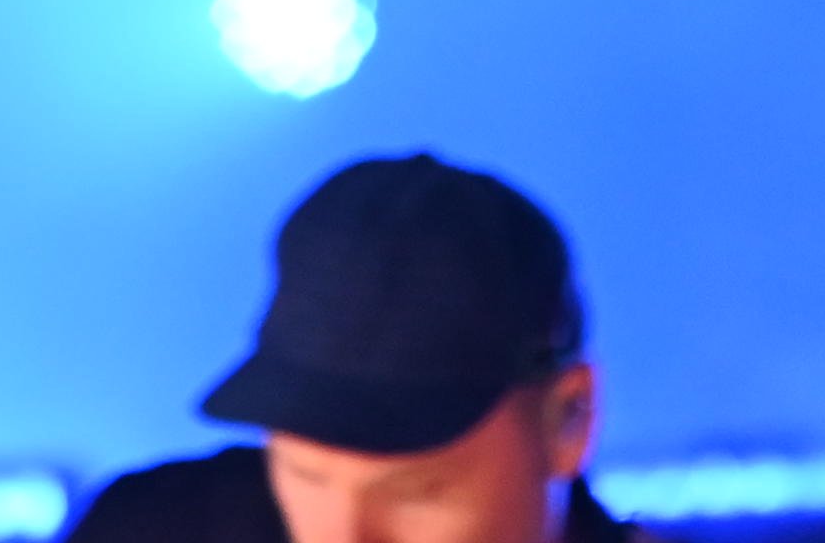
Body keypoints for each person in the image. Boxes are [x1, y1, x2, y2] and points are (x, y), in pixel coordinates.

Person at [66, 154, 626, 543]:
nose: (348, 537)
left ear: (569, 420)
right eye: (305, 475)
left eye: (418, 491)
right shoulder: (153, 530)